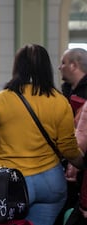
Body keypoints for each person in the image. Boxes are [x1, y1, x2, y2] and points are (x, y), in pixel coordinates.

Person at [0, 44, 85, 225]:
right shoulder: (59, 101)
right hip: (50, 182)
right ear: (46, 67)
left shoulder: (1, 99)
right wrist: (82, 164)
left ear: (17, 67)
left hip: (11, 184)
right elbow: (68, 147)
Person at [56, 47, 87, 225]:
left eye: (63, 63)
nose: (60, 67)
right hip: (68, 165)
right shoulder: (65, 93)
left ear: (74, 66)